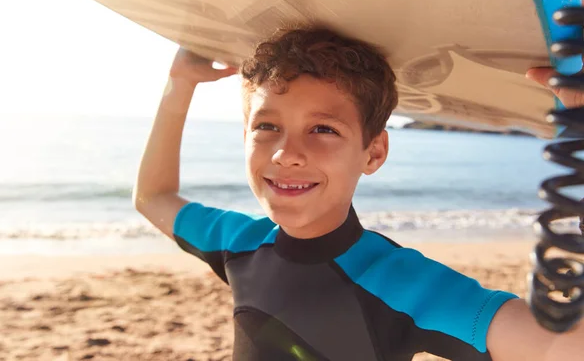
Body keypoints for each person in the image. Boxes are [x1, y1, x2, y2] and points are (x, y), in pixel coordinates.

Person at [134, 27, 583, 361]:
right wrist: (181, 81)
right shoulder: (240, 241)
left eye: (323, 129)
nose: (286, 154)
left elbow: (558, 349)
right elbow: (153, 198)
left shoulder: (401, 282)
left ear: (373, 152)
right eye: (267, 126)